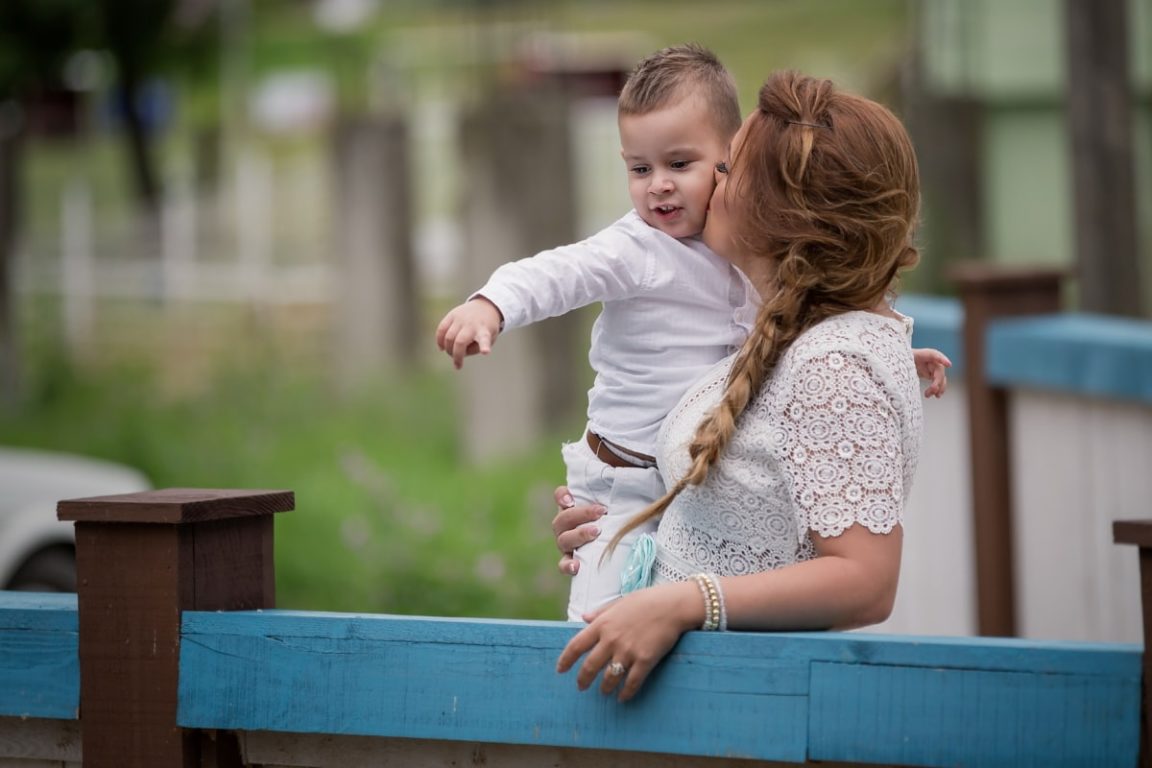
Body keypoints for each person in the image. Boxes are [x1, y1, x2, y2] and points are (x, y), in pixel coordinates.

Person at [437, 46, 948, 622]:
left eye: (712, 167)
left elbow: (822, 363)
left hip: (710, 618)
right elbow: (560, 271)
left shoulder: (828, 358)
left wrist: (892, 354)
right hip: (624, 473)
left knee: (601, 630)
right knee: (595, 623)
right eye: (639, 168)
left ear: (774, 209)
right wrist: (492, 304)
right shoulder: (642, 248)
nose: (661, 187)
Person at [554, 69, 928, 702]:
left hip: (751, 705)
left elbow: (866, 581)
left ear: (776, 215)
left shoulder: (834, 367)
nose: (707, 186)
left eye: (726, 169)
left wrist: (681, 604)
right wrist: (617, 523)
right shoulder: (779, 336)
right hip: (697, 696)